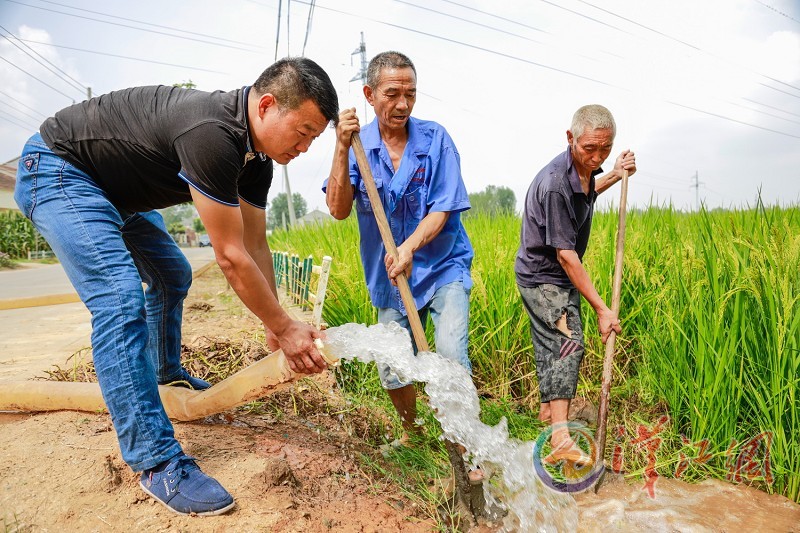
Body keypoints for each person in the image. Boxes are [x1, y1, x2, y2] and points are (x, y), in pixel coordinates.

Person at [14, 57, 338, 516]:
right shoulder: (211, 133)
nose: (305, 147)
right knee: (119, 298)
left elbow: (255, 246)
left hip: (113, 193)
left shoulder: (257, 160)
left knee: (172, 273)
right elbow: (228, 256)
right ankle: (156, 462)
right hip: (60, 169)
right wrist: (286, 328)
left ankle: (165, 375)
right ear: (266, 105)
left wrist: (275, 322)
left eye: (314, 138)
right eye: (302, 131)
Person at [324, 51, 474, 440]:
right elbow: (338, 209)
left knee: (451, 354)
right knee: (392, 365)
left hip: (442, 265)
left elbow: (443, 207)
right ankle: (413, 432)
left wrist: (408, 247)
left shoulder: (435, 139)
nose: (403, 104)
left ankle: (462, 440)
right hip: (389, 273)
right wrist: (341, 147)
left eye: (410, 93)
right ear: (370, 94)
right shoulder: (358, 145)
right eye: (392, 94)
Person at [515, 104, 636, 463]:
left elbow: (588, 189)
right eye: (589, 149)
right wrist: (602, 309)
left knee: (553, 346)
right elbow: (568, 257)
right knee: (569, 345)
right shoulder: (555, 184)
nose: (595, 156)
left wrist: (615, 173)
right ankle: (561, 438)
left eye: (605, 149)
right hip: (545, 278)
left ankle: (548, 414)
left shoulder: (581, 172)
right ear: (571, 139)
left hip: (548, 274)